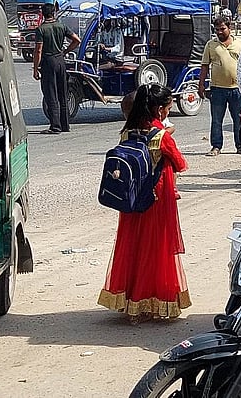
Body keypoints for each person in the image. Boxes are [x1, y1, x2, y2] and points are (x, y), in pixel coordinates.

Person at [98, 83, 191, 320]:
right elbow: (180, 164)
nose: (169, 112)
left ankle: (129, 303)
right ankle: (153, 302)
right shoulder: (161, 137)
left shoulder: (126, 133)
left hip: (130, 199)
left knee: (132, 247)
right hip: (156, 199)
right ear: (159, 110)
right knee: (156, 250)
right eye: (168, 108)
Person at [199, 16, 241, 156]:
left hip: (237, 89)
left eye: (222, 29)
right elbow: (204, 66)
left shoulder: (240, 44)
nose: (219, 32)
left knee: (238, 119)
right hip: (217, 89)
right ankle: (216, 146)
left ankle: (240, 145)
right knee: (217, 119)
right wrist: (201, 84)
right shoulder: (211, 45)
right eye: (217, 30)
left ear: (229, 28)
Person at [32, 4, 81, 134]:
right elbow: (76, 40)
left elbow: (38, 51)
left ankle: (55, 126)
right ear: (53, 13)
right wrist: (65, 51)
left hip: (48, 62)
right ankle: (65, 125)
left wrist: (35, 69)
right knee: (62, 93)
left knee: (51, 94)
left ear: (42, 14)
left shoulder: (41, 29)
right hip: (60, 61)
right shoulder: (61, 26)